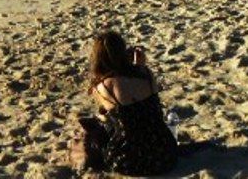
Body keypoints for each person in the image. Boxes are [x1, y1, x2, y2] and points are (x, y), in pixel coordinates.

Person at [74, 30, 178, 175]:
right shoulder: (146, 74)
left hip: (129, 160)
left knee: (96, 126)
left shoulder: (102, 87)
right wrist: (140, 66)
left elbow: (106, 114)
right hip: (165, 153)